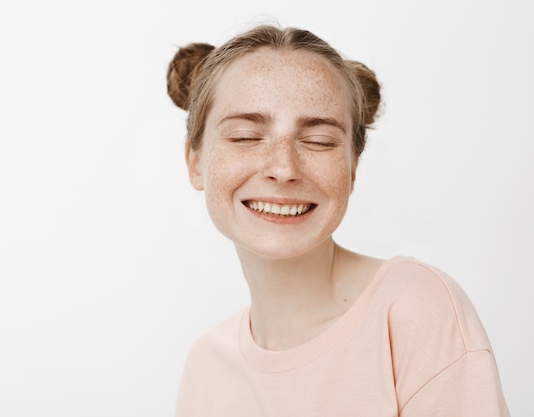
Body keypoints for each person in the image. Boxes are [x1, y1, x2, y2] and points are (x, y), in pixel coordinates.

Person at [166, 23, 510, 416]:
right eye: (245, 136)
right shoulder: (205, 365)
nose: (284, 167)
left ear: (352, 168)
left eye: (319, 141)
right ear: (195, 161)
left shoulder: (413, 309)